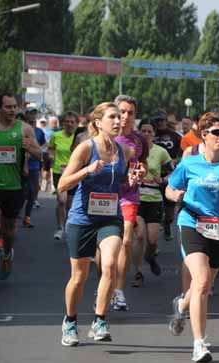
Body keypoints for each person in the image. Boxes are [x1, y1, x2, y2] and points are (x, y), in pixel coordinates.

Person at [166, 115, 219, 362]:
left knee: (203, 285)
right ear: (204, 134)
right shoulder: (189, 164)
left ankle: (181, 307)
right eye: (216, 132)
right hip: (191, 222)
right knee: (201, 281)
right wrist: (176, 195)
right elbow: (169, 189)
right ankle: (199, 344)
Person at [59, 102, 136, 346]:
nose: (118, 121)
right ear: (97, 123)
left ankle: (99, 320)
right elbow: (62, 185)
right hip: (82, 218)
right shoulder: (85, 148)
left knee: (110, 264)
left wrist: (132, 179)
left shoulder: (123, 151)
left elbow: (119, 182)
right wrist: (87, 170)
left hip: (110, 217)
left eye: (120, 117)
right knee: (79, 277)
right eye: (112, 117)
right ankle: (70, 322)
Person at [110, 94, 148, 311]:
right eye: (121, 112)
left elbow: (142, 164)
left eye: (130, 113)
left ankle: (118, 290)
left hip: (129, 195)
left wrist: (141, 172)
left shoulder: (139, 140)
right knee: (104, 248)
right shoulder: (106, 137)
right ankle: (105, 281)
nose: (125, 117)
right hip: (105, 196)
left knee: (125, 241)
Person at [0, 92, 41, 279]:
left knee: (8, 230)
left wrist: (29, 147)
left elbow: (40, 154)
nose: (12, 110)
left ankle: (7, 252)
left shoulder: (24, 129)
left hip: (14, 187)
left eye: (14, 106)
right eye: (8, 107)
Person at [131, 119, 172, 287]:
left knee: (153, 240)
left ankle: (150, 256)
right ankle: (138, 272)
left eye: (150, 131)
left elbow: (172, 172)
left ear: (154, 135)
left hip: (154, 199)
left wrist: (162, 179)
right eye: (144, 131)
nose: (146, 134)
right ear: (139, 132)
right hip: (136, 198)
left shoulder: (161, 152)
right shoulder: (133, 150)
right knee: (140, 235)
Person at [49, 111, 79, 240]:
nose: (70, 124)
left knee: (70, 205)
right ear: (63, 123)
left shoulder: (79, 137)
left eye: (72, 122)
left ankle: (67, 226)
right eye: (67, 121)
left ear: (76, 124)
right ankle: (60, 228)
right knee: (61, 201)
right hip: (59, 172)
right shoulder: (56, 136)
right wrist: (50, 156)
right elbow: (51, 149)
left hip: (74, 173)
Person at [153, 110, 182, 242]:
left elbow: (182, 155)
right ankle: (154, 238)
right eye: (157, 121)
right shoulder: (151, 134)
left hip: (170, 175)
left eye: (161, 120)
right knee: (156, 209)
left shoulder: (175, 136)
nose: (159, 123)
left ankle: (167, 225)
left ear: (166, 121)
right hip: (153, 175)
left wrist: (175, 160)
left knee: (170, 213)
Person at [22, 107, 46, 227]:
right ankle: (16, 214)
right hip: (20, 165)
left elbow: (43, 144)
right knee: (21, 192)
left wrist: (37, 150)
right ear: (26, 115)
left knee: (32, 192)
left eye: (35, 113)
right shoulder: (22, 128)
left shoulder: (39, 132)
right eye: (31, 113)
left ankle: (27, 217)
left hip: (34, 165)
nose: (33, 116)